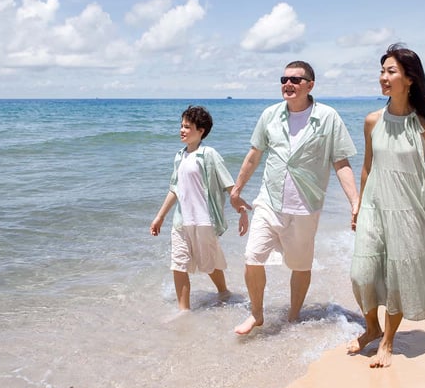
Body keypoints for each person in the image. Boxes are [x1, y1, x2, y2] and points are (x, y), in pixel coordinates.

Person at [348, 44, 425, 368]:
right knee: (362, 274)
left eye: (390, 71)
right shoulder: (372, 121)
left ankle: (387, 340)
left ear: (410, 78)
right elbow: (367, 167)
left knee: (399, 275)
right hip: (374, 206)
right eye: (382, 71)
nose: (383, 77)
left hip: (409, 208)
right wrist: (358, 205)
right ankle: (371, 326)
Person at [229, 61, 359, 335]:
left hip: (305, 206)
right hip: (269, 201)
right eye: (284, 79)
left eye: (295, 80)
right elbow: (254, 154)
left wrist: (355, 202)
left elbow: (341, 162)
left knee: (300, 266)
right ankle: (257, 314)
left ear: (310, 85)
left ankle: (293, 315)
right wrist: (237, 188)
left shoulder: (328, 117)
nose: (288, 84)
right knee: (252, 257)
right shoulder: (270, 115)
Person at [150, 105, 248, 311]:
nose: (182, 130)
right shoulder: (179, 156)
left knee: (209, 263)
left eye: (187, 126)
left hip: (204, 220)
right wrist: (160, 217)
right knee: (179, 264)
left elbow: (229, 185)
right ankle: (183, 311)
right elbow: (174, 189)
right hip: (181, 221)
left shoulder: (209, 154)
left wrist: (241, 210)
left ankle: (223, 292)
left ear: (200, 130)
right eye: (181, 126)